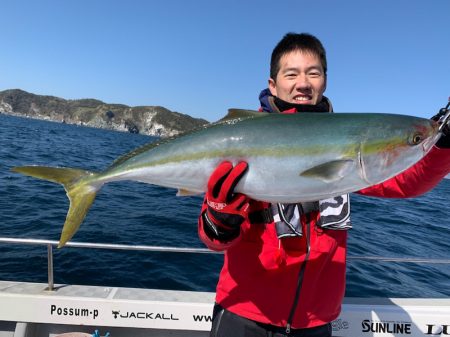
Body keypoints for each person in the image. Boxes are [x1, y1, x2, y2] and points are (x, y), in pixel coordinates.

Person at [198, 33, 450, 337]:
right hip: (243, 314)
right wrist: (219, 220)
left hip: (315, 322)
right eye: (291, 74)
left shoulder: (348, 143)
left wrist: (443, 143)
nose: (303, 83)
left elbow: (407, 181)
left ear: (324, 82)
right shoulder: (241, 140)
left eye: (313, 73)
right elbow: (213, 240)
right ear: (273, 84)